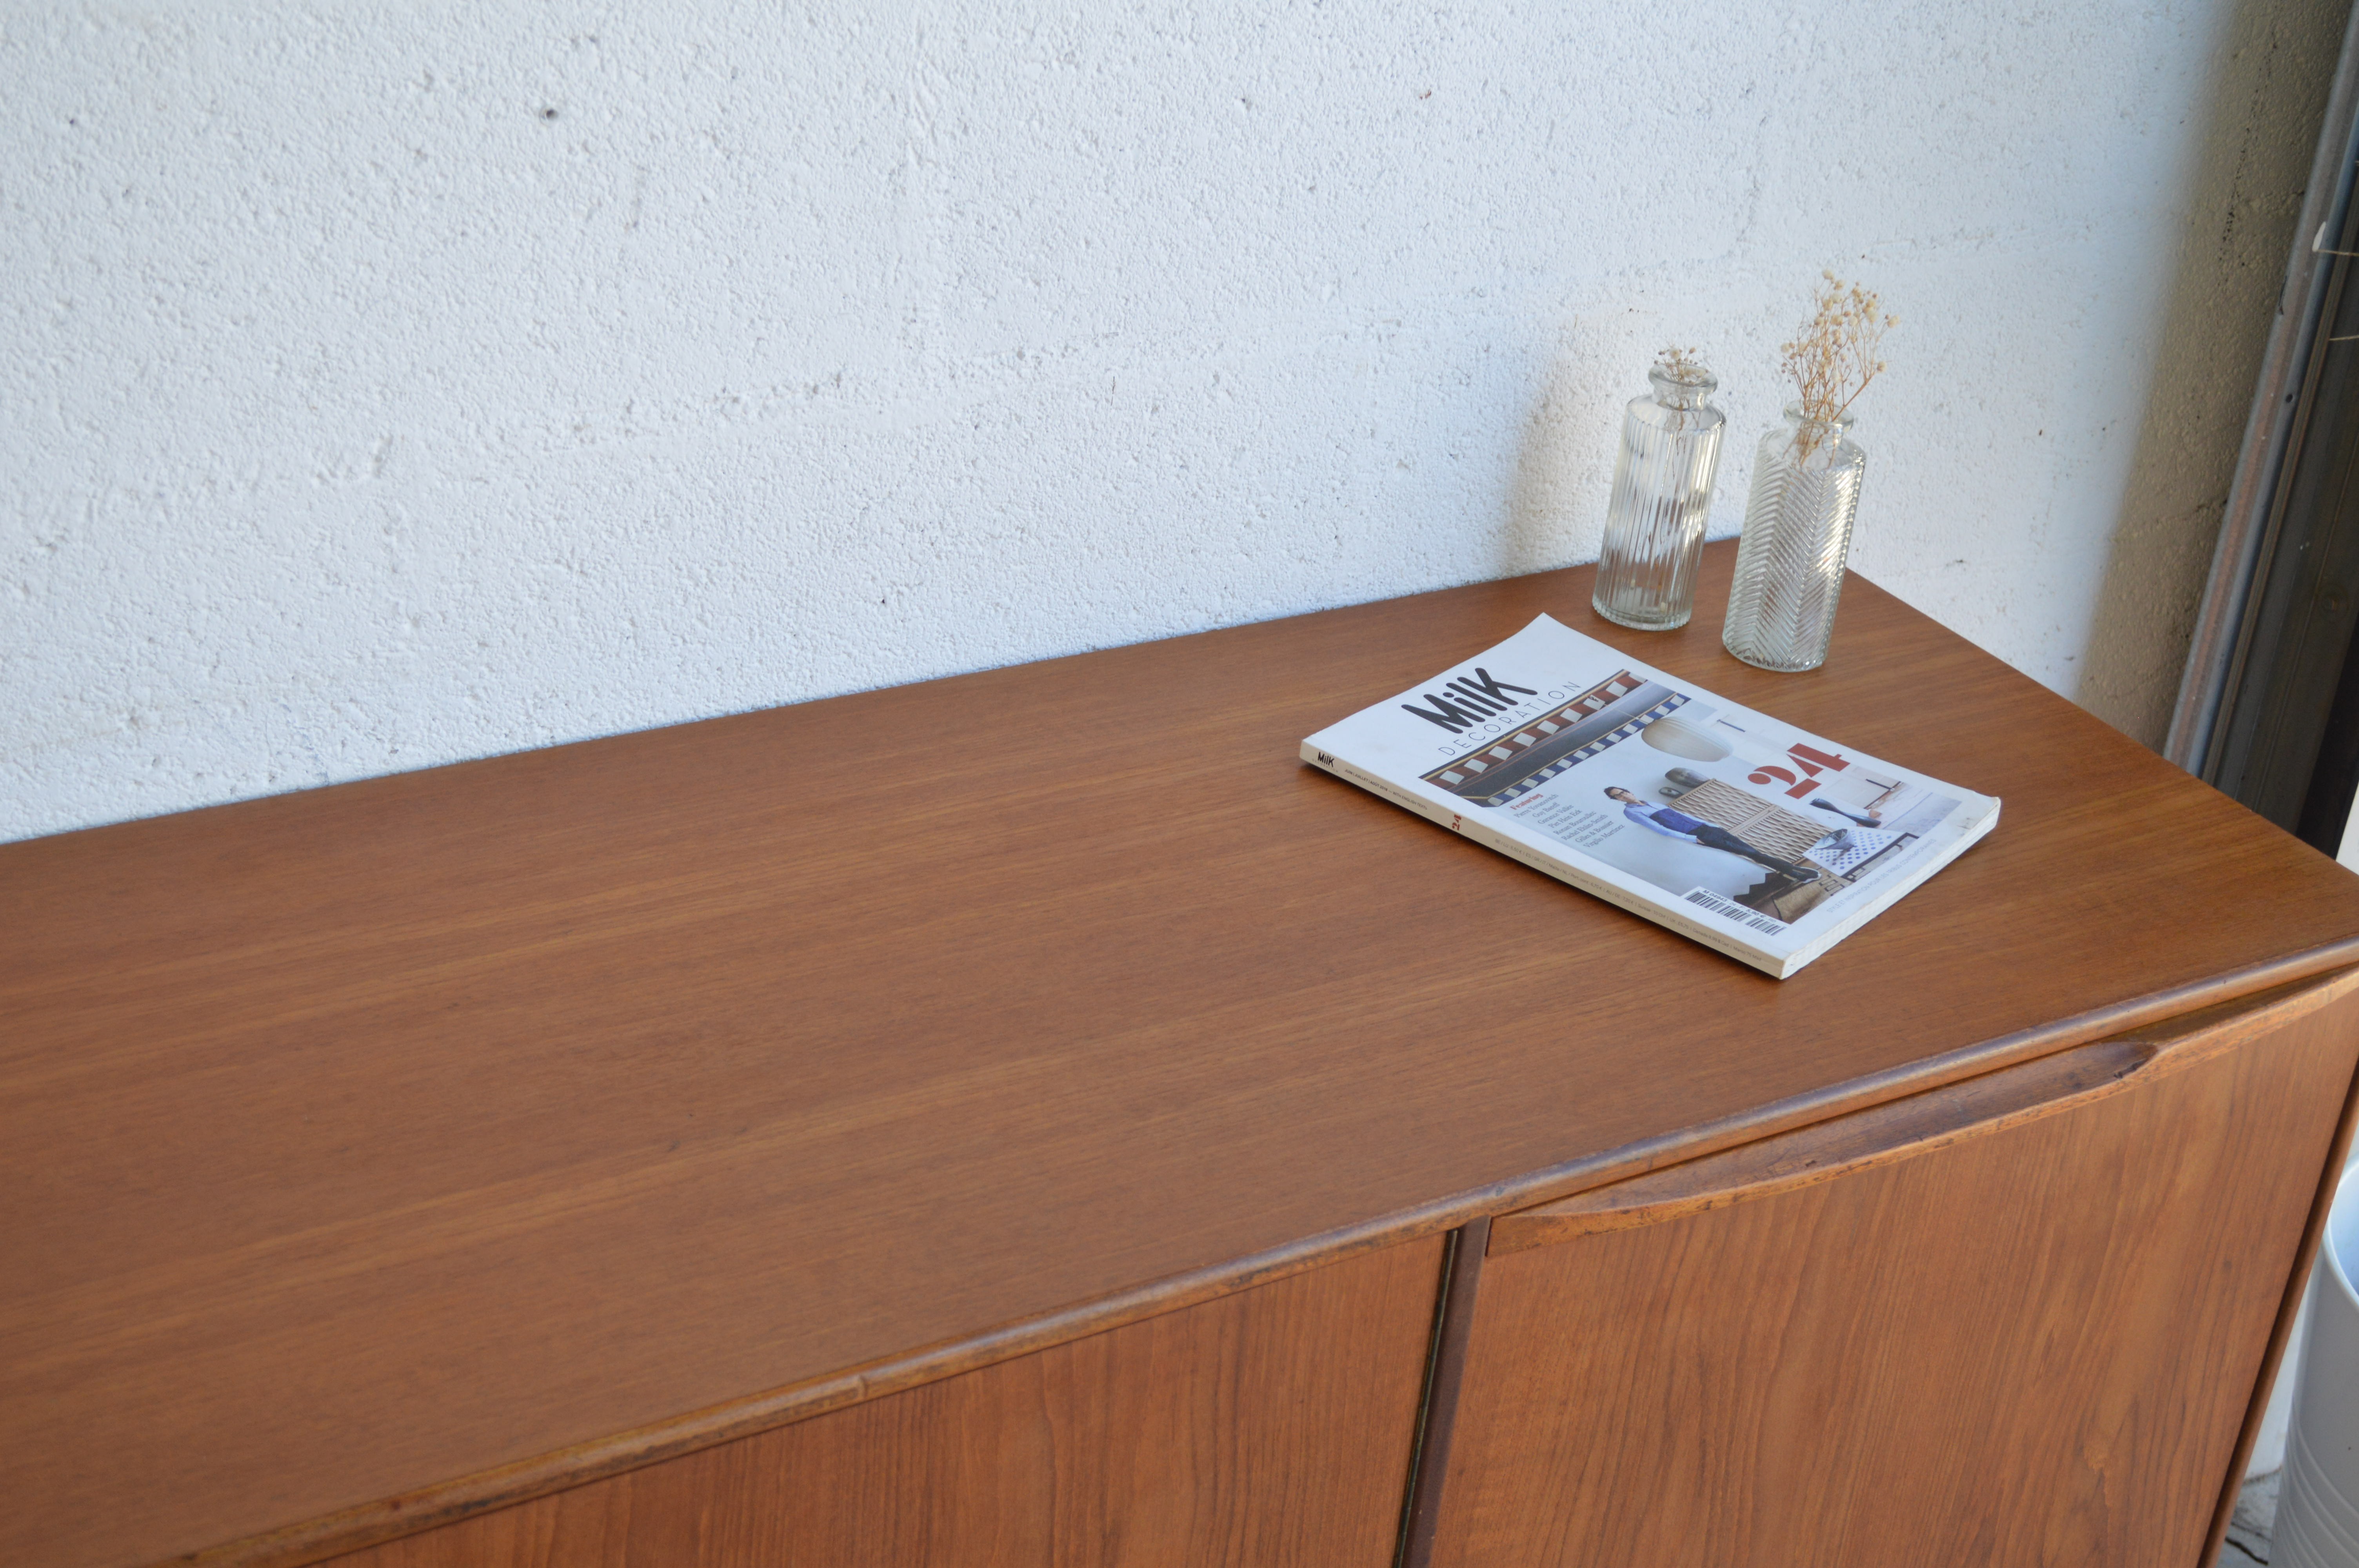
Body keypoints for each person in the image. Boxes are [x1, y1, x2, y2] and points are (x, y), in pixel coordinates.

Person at [1604, 787, 1818, 879]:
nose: (1624, 796)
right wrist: (1692, 839)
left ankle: (1793, 872)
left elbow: (1682, 814)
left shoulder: (1652, 802)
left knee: (1753, 851)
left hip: (1710, 829)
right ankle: (1795, 872)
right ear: (1617, 801)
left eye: (1624, 792)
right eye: (1619, 796)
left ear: (1629, 791)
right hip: (1699, 836)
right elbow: (1661, 830)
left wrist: (1712, 824)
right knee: (1751, 854)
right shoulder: (1632, 813)